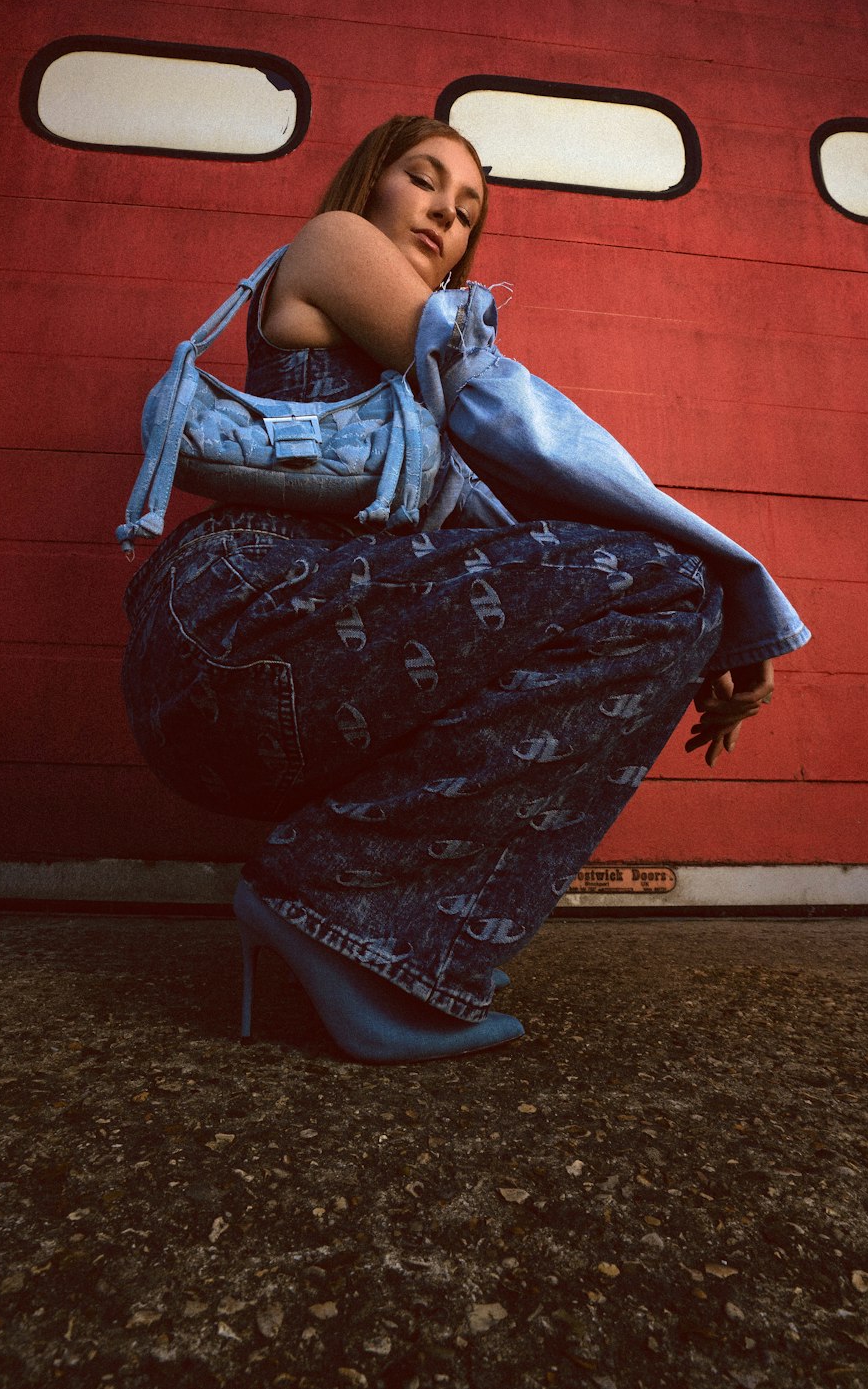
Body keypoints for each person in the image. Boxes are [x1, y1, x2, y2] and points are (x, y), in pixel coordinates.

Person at [120, 115, 804, 1063]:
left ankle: (355, 921)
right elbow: (519, 426)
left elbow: (528, 549)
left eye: (469, 208)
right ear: (372, 182)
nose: (445, 211)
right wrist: (740, 584)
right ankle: (334, 902)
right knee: (679, 585)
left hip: (314, 643)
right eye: (423, 178)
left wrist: (701, 633)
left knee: (668, 599)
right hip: (247, 610)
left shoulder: (418, 380)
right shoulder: (336, 244)